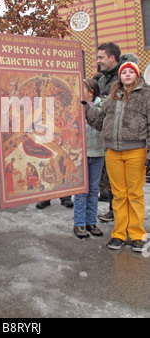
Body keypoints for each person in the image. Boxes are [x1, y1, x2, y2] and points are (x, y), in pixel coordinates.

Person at [83, 61, 150, 252]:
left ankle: (137, 235)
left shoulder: (146, 96)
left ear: (137, 76)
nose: (127, 74)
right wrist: (87, 109)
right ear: (120, 76)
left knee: (135, 194)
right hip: (112, 153)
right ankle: (119, 234)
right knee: (119, 195)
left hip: (136, 151)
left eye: (131, 72)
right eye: (124, 72)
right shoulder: (111, 98)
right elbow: (100, 122)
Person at [96, 46, 139, 222]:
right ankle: (115, 211)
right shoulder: (102, 80)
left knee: (130, 186)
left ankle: (132, 222)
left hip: (129, 140)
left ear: (112, 58)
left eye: (101, 57)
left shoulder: (126, 77)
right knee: (114, 181)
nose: (98, 61)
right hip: (108, 136)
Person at [73, 79, 105, 239]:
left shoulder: (102, 106)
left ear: (91, 91)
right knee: (81, 191)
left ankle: (91, 222)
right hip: (81, 155)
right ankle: (79, 224)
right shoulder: (77, 106)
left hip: (98, 154)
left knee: (93, 190)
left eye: (82, 88)